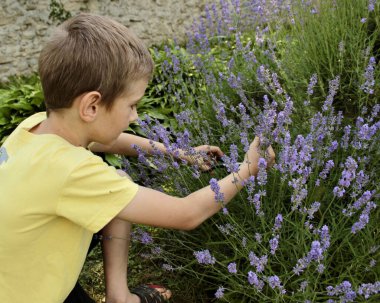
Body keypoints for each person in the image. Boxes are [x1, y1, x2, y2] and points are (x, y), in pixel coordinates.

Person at [0, 13, 275, 303]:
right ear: (91, 106)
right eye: (131, 105)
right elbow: (186, 214)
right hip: (28, 293)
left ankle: (119, 297)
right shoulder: (72, 171)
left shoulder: (34, 127)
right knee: (115, 190)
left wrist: (178, 153)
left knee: (117, 182)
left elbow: (108, 139)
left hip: (17, 269)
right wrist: (247, 169)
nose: (136, 115)